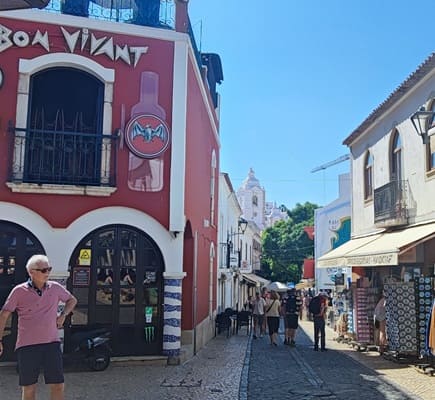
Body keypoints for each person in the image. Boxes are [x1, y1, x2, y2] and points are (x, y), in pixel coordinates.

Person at [0, 254, 77, 400]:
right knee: (29, 388)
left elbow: (72, 300)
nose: (47, 272)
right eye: (43, 270)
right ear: (31, 272)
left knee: (58, 385)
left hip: (51, 344)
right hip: (27, 345)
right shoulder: (19, 291)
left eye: (49, 269)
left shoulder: (55, 288)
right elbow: (4, 315)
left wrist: (63, 315)